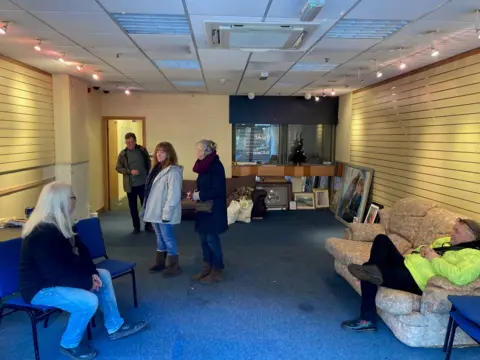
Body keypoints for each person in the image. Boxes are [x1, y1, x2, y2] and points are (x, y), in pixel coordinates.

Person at [18, 182, 146, 360]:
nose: (75, 201)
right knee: (89, 301)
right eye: (72, 197)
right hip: (40, 289)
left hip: (58, 278)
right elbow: (54, 273)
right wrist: (86, 283)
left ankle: (114, 325)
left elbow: (82, 252)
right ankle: (69, 343)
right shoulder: (40, 233)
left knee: (104, 275)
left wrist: (92, 273)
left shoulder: (64, 224)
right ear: (61, 202)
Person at [341, 218, 480, 332]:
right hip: (406, 263)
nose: (452, 233)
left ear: (471, 236)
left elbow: (459, 277)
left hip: (416, 279)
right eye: (453, 229)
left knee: (368, 273)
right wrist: (424, 249)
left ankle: (367, 319)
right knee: (382, 239)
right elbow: (427, 247)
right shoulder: (446, 242)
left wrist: (434, 258)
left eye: (457, 231)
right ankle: (372, 270)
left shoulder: (475, 257)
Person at [189, 140, 228, 283]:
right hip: (204, 209)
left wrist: (198, 195)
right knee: (203, 240)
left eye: (199, 150)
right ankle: (207, 268)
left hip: (214, 210)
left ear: (206, 151)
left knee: (212, 240)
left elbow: (217, 190)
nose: (197, 152)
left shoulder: (216, 166)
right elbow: (205, 186)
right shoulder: (203, 166)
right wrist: (195, 193)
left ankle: (217, 269)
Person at [142, 142, 183, 277]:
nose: (158, 154)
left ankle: (174, 265)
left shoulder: (173, 171)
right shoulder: (156, 169)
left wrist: (167, 212)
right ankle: (160, 262)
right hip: (154, 209)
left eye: (162, 152)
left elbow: (174, 195)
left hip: (164, 210)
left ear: (169, 154)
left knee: (168, 237)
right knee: (159, 236)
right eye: (157, 151)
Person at [115, 132, 152, 234]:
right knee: (133, 207)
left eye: (131, 142)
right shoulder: (123, 154)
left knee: (146, 205)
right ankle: (136, 227)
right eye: (127, 143)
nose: (129, 144)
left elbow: (148, 162)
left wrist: (148, 173)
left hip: (143, 183)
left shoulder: (142, 150)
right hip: (130, 185)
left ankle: (148, 225)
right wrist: (129, 172)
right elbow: (118, 168)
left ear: (135, 141)